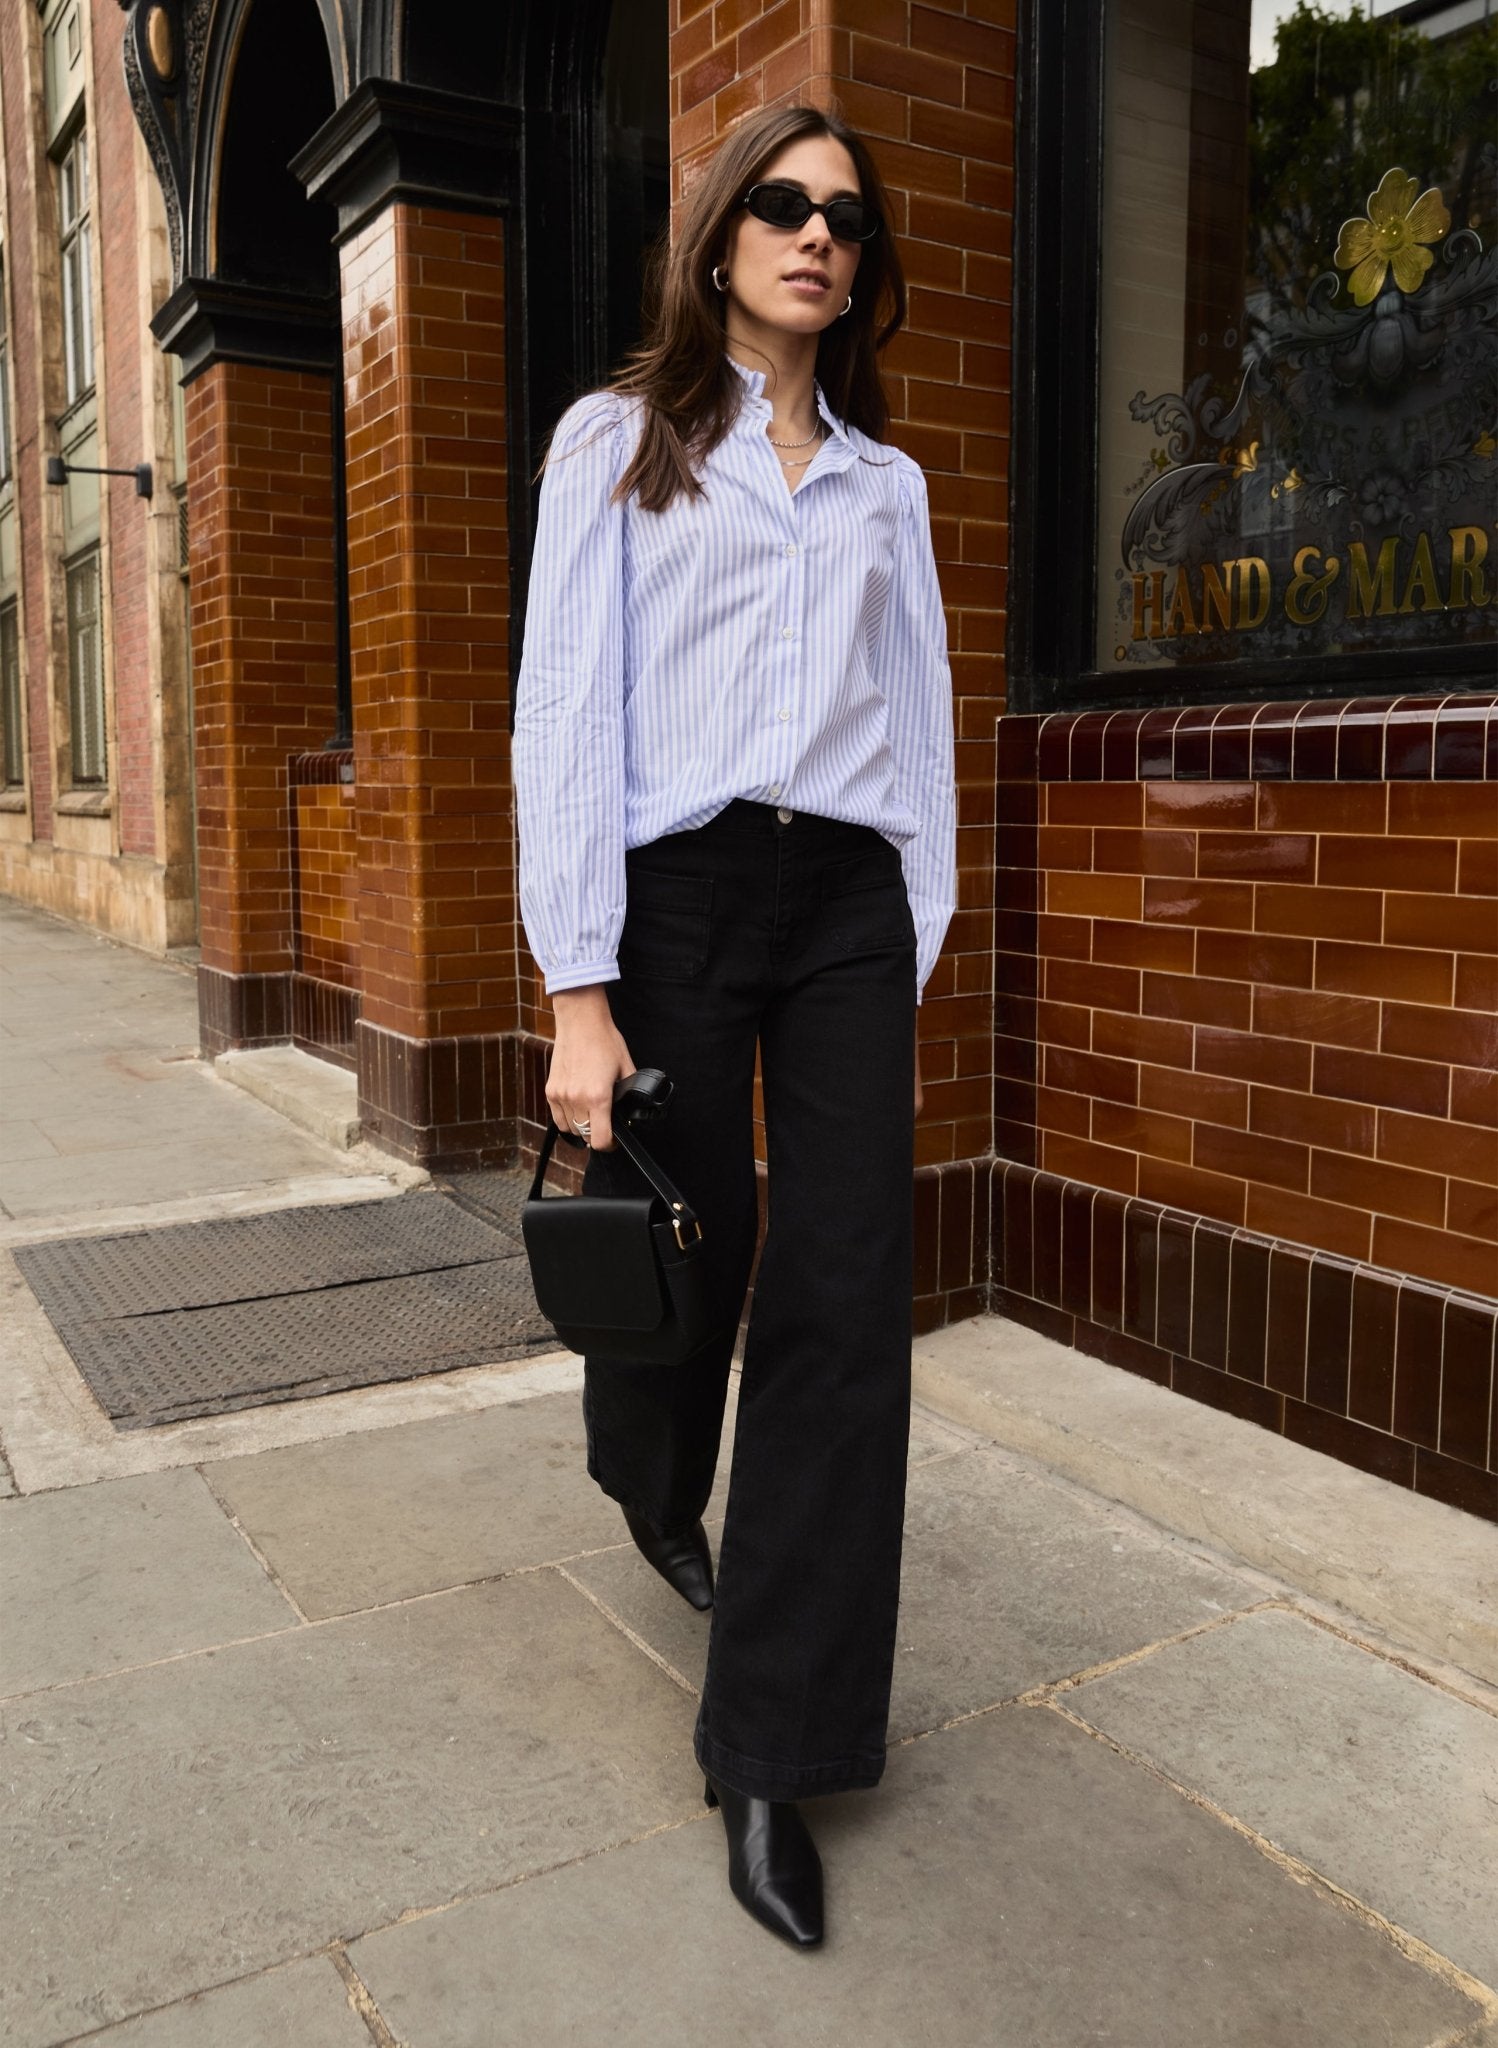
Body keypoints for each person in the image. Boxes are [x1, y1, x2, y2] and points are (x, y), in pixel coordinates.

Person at [512, 102, 956, 1949]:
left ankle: (770, 1750)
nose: (814, 237)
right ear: (716, 240)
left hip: (845, 898)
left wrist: (906, 931)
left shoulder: (887, 485)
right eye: (780, 206)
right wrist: (578, 992)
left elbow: (916, 723)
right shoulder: (615, 445)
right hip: (676, 889)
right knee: (696, 1250)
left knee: (845, 1302)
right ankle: (645, 1471)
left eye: (843, 219)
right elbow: (566, 718)